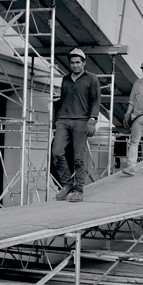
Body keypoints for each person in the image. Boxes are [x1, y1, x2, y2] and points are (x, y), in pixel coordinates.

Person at [52, 48, 101, 202]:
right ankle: (67, 185)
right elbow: (64, 100)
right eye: (72, 63)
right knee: (57, 152)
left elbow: (96, 101)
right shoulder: (65, 79)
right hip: (64, 120)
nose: (75, 65)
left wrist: (92, 121)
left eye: (78, 62)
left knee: (78, 158)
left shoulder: (92, 79)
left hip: (81, 121)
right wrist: (57, 118)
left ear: (84, 63)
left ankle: (78, 189)